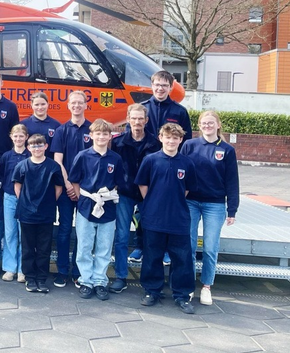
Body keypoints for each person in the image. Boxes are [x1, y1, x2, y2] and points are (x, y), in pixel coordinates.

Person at [135, 123, 198, 314]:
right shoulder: (151, 160)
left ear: (181, 140)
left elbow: (187, 189)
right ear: (161, 138)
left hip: (178, 218)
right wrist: (155, 203)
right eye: (167, 137)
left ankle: (181, 295)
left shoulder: (187, 163)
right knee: (152, 256)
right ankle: (152, 291)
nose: (171, 141)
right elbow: (143, 186)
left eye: (175, 138)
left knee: (182, 258)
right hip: (153, 217)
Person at [181, 110, 240, 306]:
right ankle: (188, 285)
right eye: (204, 123)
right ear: (199, 125)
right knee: (187, 246)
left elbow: (232, 182)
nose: (207, 126)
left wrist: (232, 209)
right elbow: (179, 172)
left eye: (211, 123)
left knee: (210, 247)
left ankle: (206, 286)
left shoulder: (227, 150)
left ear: (218, 125)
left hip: (214, 204)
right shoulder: (189, 146)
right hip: (190, 202)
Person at [68, 119, 125, 300]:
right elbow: (75, 180)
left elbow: (118, 181)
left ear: (110, 137)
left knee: (104, 246)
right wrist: (83, 197)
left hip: (107, 206)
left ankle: (100, 280)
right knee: (84, 245)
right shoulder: (83, 156)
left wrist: (105, 196)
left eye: (105, 134)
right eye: (98, 133)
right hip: (86, 205)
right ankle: (85, 280)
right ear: (91, 135)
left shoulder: (115, 158)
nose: (101, 137)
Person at [109, 103, 159, 293]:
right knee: (121, 237)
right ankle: (121, 276)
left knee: (150, 237)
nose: (137, 122)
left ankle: (148, 280)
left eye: (141, 119)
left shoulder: (156, 144)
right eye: (134, 118)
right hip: (125, 195)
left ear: (146, 121)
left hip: (149, 196)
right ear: (128, 119)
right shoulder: (118, 143)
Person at [50, 90, 92, 287]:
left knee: (83, 232)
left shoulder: (92, 129)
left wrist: (81, 187)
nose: (76, 106)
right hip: (67, 190)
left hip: (87, 191)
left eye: (80, 103)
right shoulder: (61, 130)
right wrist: (68, 184)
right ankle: (62, 271)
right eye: (73, 103)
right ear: (68, 106)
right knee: (65, 229)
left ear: (86, 105)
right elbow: (58, 160)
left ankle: (78, 271)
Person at [12, 134, 64, 293]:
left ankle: (41, 279)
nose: (37, 148)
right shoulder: (22, 165)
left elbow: (58, 188)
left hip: (46, 214)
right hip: (26, 214)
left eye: (40, 145)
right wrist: (26, 204)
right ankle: (30, 278)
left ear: (46, 146)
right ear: (28, 148)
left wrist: (47, 203)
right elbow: (17, 186)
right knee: (28, 248)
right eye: (33, 146)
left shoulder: (53, 166)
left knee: (44, 248)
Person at [0, 124, 30, 283]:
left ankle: (22, 269)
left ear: (26, 137)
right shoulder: (6, 156)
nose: (18, 139)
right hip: (10, 197)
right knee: (10, 233)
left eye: (21, 136)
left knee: (23, 233)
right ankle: (10, 268)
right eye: (15, 136)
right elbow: (2, 175)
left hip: (26, 199)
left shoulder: (31, 155)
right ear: (11, 137)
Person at [142, 70, 192, 145]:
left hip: (170, 155)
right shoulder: (141, 109)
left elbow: (186, 139)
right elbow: (130, 134)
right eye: (157, 85)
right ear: (152, 85)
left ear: (171, 87)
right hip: (144, 155)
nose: (160, 88)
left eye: (164, 85)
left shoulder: (180, 111)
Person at [19, 92, 61, 160]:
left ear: (48, 104)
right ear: (31, 105)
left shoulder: (56, 125)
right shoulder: (24, 124)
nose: (40, 107)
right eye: (37, 104)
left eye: (43, 104)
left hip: (49, 165)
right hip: (28, 164)